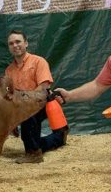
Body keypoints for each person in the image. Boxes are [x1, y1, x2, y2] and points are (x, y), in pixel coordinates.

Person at [5, 30, 69, 164]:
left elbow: (43, 87)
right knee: (35, 139)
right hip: (23, 106)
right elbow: (10, 95)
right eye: (11, 43)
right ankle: (58, 138)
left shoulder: (39, 61)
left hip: (43, 102)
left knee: (28, 113)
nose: (15, 45)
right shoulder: (9, 70)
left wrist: (23, 106)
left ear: (26, 43)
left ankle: (34, 154)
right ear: (9, 47)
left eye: (18, 41)